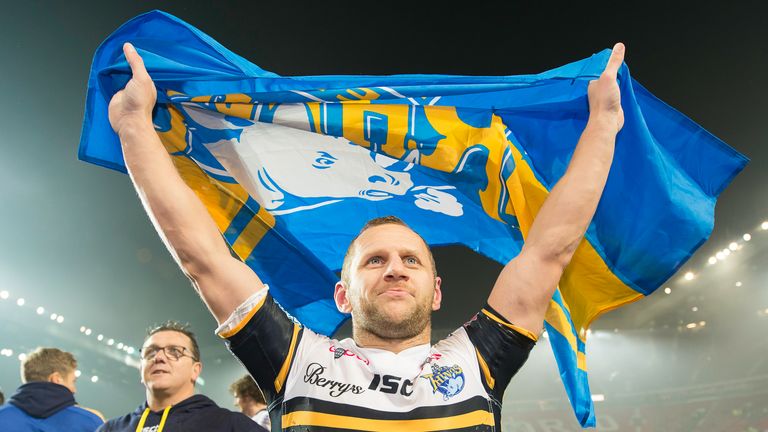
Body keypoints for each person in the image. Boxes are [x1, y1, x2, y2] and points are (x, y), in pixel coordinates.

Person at [108, 40, 625, 430]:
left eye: (411, 260)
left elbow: (549, 250)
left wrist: (602, 125)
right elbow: (203, 258)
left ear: (437, 289)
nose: (396, 267)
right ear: (342, 293)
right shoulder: (297, 361)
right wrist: (134, 127)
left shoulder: (476, 361)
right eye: (373, 261)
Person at [98, 321, 265, 431]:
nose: (159, 357)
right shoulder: (111, 429)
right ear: (141, 369)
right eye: (151, 352)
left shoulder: (230, 425)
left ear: (195, 370)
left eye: (175, 352)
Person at [0, 347, 104, 431]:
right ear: (56, 379)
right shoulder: (89, 423)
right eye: (73, 381)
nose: (74, 389)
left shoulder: (3, 415)